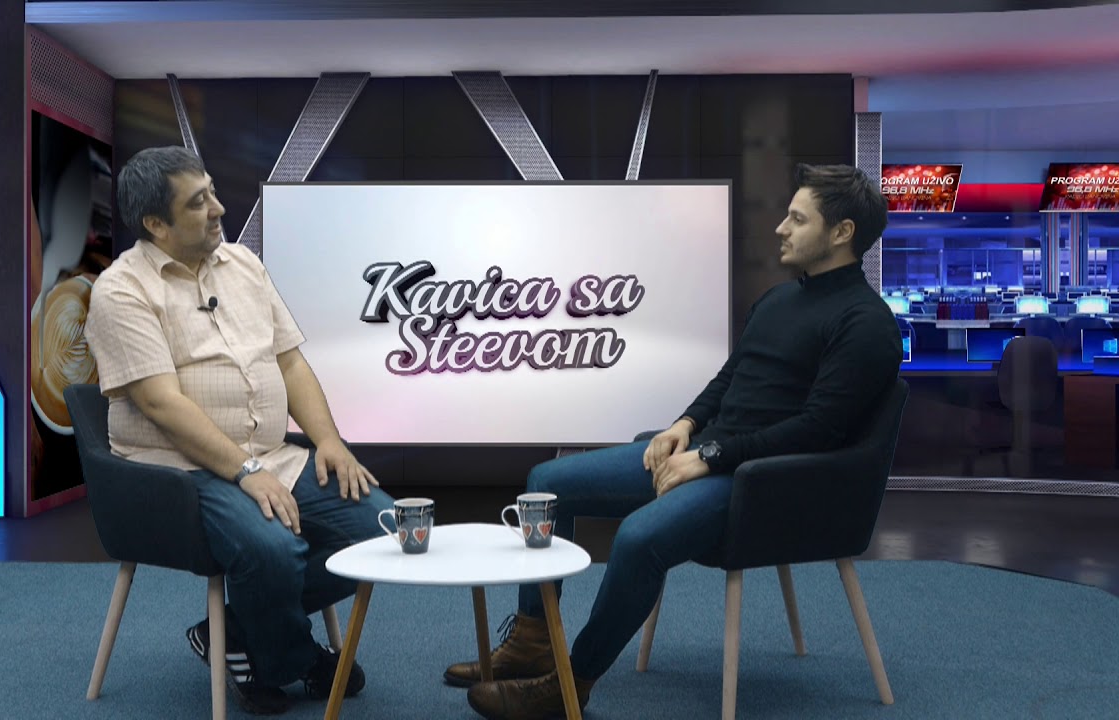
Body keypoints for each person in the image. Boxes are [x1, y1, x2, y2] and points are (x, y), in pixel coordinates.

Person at [449, 164, 903, 720]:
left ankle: (568, 684)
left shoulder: (867, 324)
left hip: (766, 483)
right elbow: (730, 379)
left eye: (797, 218)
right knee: (546, 484)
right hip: (712, 455)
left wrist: (711, 457)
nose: (781, 228)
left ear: (842, 233)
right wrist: (685, 425)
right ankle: (533, 642)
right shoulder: (778, 301)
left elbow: (818, 430)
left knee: (639, 538)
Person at [84, 146, 395, 715]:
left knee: (387, 531)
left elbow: (290, 363)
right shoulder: (120, 291)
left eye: (212, 191)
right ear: (156, 224)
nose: (218, 209)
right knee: (271, 549)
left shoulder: (244, 265)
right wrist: (246, 471)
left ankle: (233, 632)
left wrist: (328, 440)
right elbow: (159, 403)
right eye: (197, 202)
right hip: (179, 474)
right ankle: (292, 660)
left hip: (273, 456)